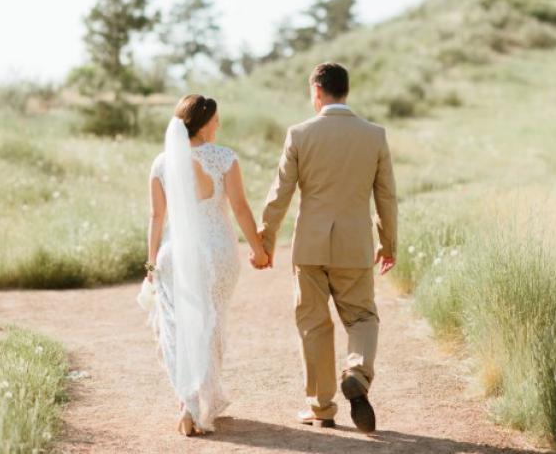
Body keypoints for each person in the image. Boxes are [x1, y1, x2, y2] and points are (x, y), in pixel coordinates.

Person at [258, 62, 398, 433]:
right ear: (345, 91)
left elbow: (280, 192)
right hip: (354, 245)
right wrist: (388, 244)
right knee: (363, 318)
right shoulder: (375, 135)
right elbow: (386, 196)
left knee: (314, 325)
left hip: (310, 247)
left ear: (317, 91)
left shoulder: (300, 134)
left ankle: (321, 407)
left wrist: (265, 239)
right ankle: (357, 372)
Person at [137, 94, 269, 436]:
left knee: (178, 327)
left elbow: (156, 216)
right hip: (218, 253)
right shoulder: (224, 158)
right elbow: (239, 208)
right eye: (215, 120)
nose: (219, 125)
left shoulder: (162, 163)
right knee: (211, 326)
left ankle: (188, 402)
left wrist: (151, 265)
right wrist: (259, 250)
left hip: (174, 255)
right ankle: (199, 402)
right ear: (204, 124)